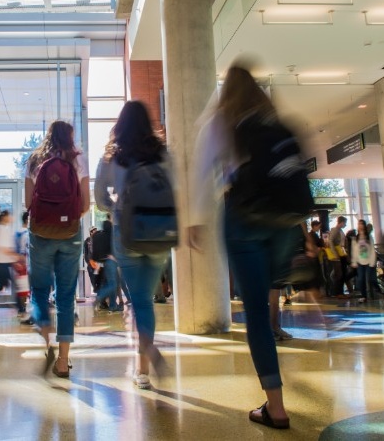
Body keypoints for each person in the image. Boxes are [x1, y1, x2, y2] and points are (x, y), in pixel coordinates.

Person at [188, 63, 296, 429]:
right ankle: (278, 311)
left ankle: (275, 406)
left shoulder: (220, 122)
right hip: (284, 223)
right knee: (271, 295)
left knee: (255, 317)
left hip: (245, 218)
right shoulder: (271, 118)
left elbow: (202, 173)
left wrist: (197, 219)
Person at [94, 101, 170, 389]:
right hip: (160, 233)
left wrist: (116, 207)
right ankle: (143, 364)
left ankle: (144, 367)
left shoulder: (113, 155)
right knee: (146, 300)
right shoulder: (161, 152)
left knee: (138, 300)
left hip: (127, 233)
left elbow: (100, 198)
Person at [25, 120, 89, 378]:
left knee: (39, 290)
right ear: (70, 137)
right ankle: (63, 361)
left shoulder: (34, 159)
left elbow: (27, 202)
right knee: (65, 296)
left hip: (40, 233)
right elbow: (85, 203)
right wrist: (68, 217)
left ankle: (45, 335)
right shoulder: (78, 158)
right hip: (70, 233)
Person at [351, 219, 375, 303]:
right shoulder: (356, 238)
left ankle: (372, 295)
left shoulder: (369, 237)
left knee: (370, 279)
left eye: (361, 224)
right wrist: (354, 261)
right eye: (358, 224)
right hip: (360, 262)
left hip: (368, 261)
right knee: (360, 279)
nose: (360, 226)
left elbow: (372, 249)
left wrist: (372, 261)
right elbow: (354, 251)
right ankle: (364, 296)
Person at [327, 216, 348, 298]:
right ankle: (337, 292)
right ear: (342, 222)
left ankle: (340, 292)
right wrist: (335, 253)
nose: (345, 225)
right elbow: (331, 241)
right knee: (339, 273)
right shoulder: (335, 230)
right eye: (345, 223)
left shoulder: (340, 230)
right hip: (338, 254)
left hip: (341, 253)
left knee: (342, 273)